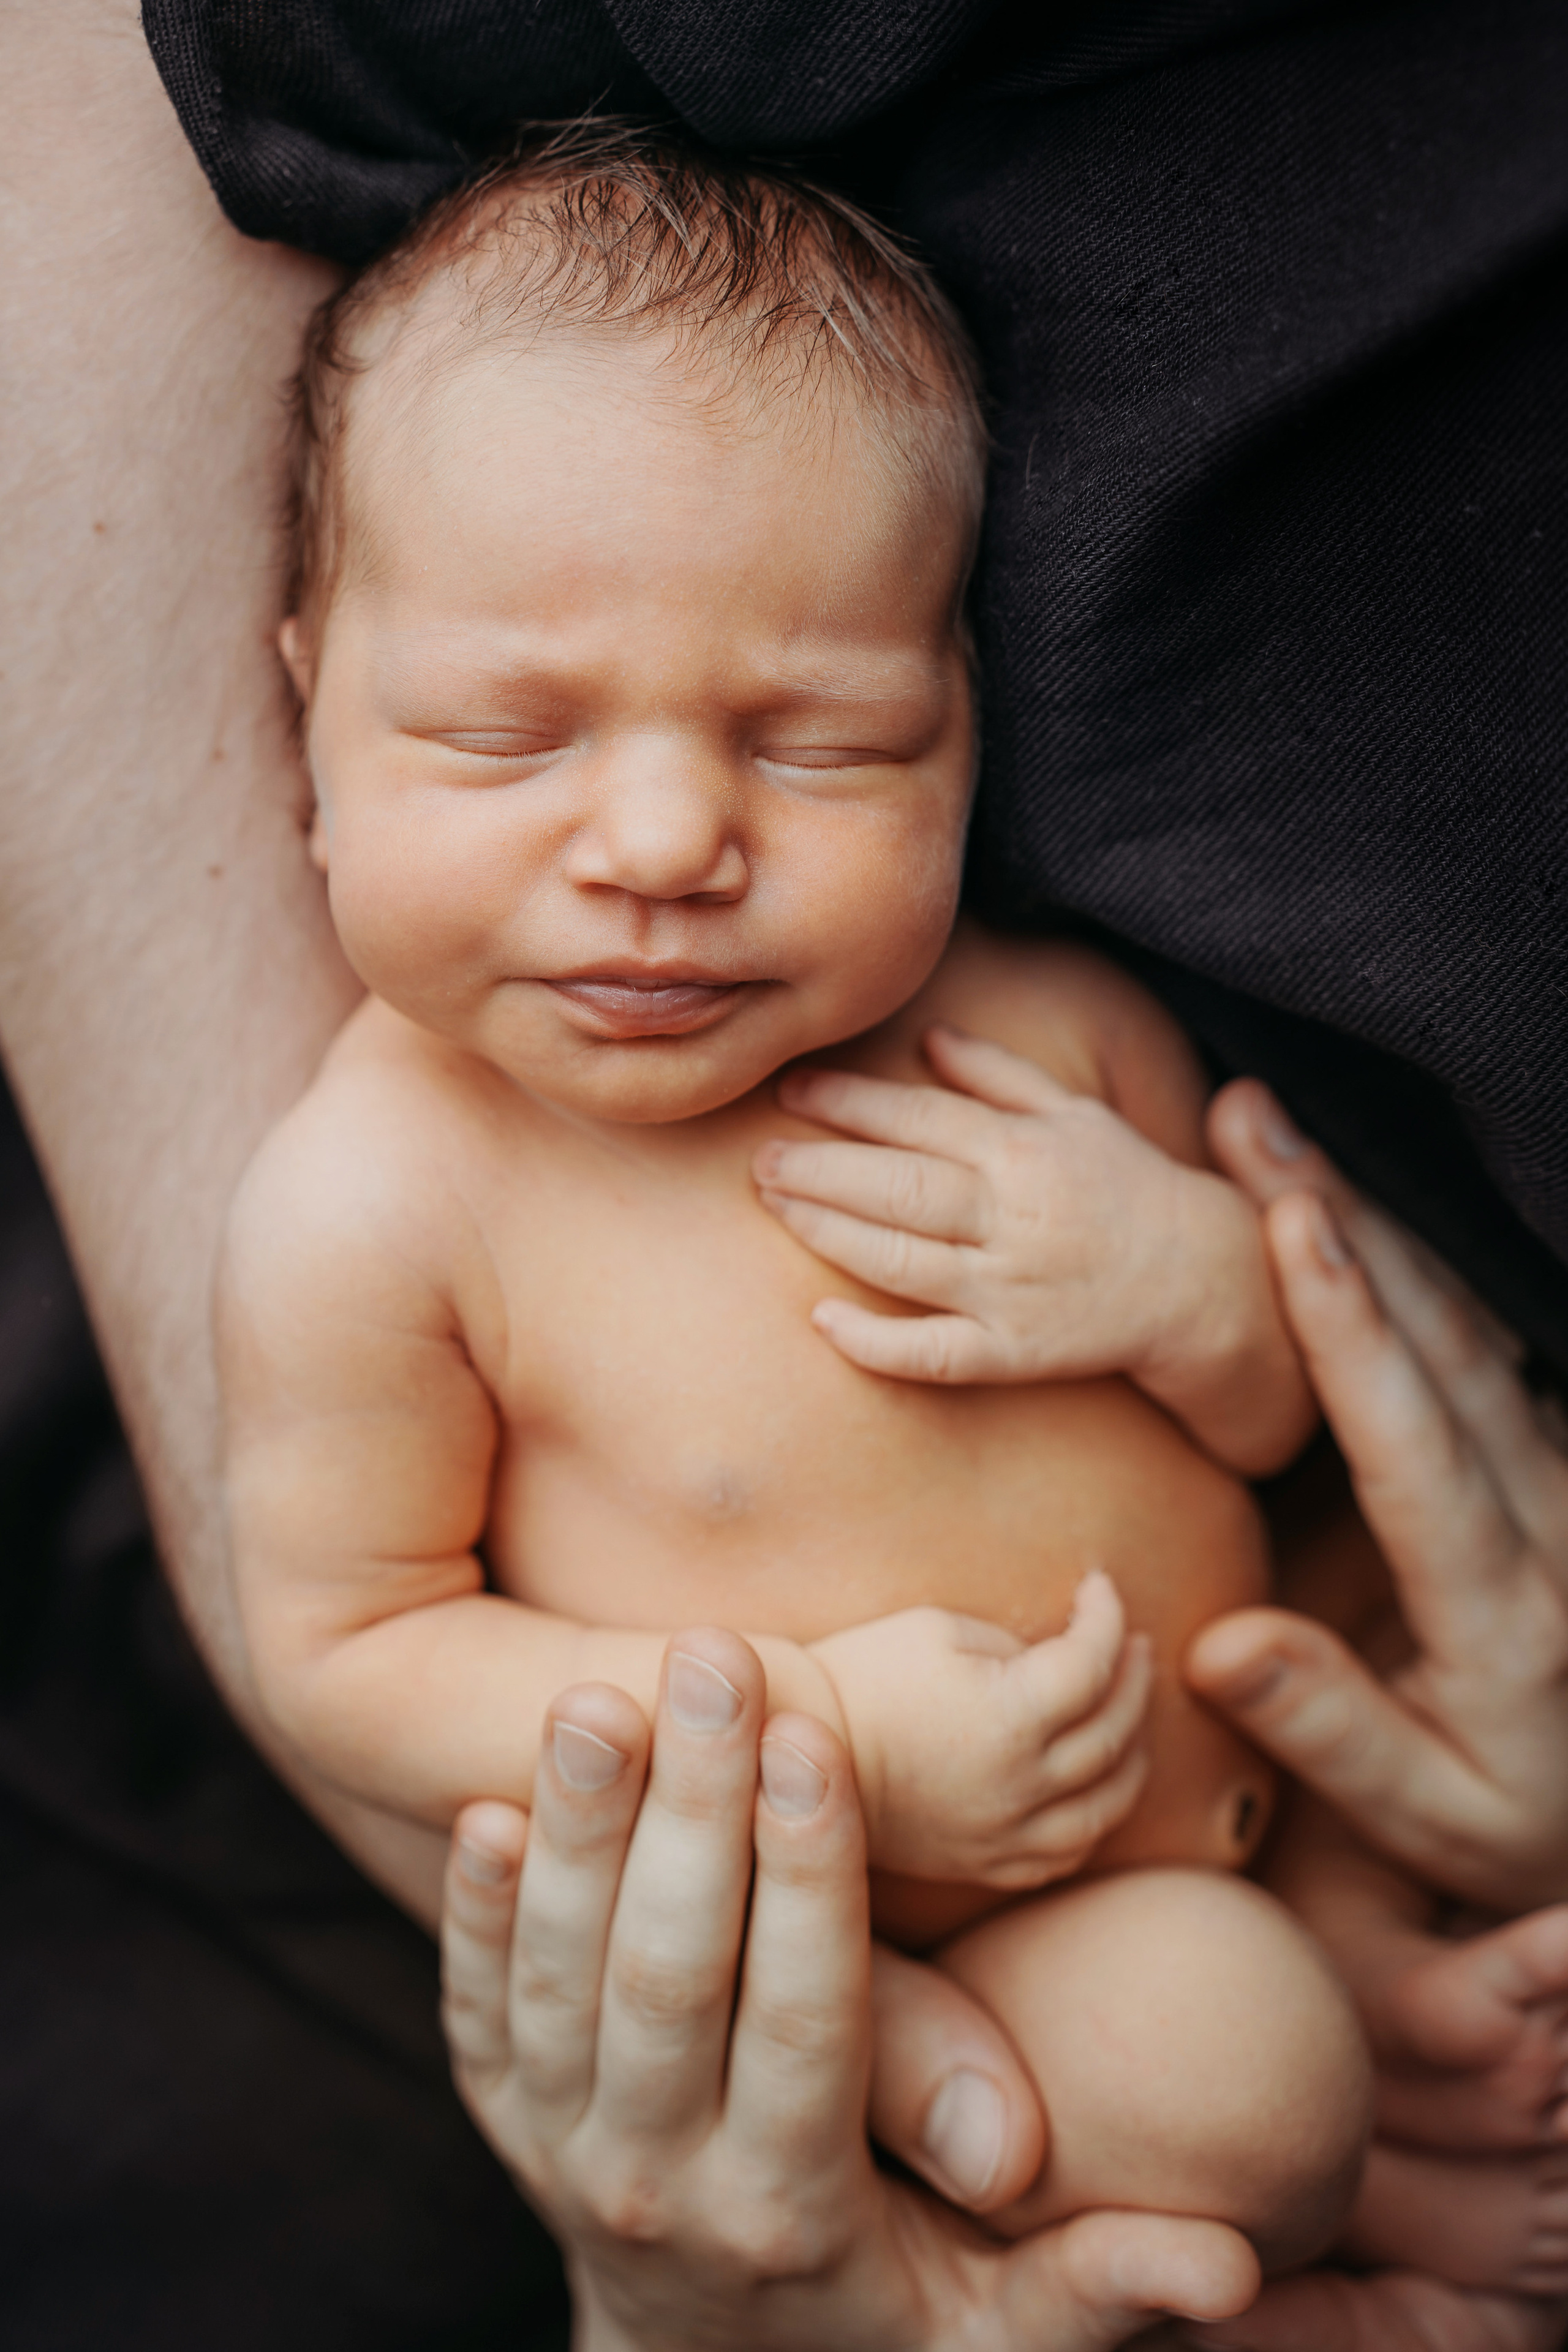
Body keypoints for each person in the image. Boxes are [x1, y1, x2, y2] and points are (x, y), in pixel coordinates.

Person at [4, 0, 1566, 2342]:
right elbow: (356, 1648)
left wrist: (1189, 1288)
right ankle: (1326, 2253)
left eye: (826, 741)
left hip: (1309, 1768)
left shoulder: (1050, 1039)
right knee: (1223, 2084)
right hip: (967, 1907)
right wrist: (824, 1738)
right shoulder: (377, 1204)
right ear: (301, 711)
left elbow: (1304, 1416)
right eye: (503, 733)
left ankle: (1394, 2121)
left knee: (1449, 1992)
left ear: (968, 727)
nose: (661, 843)